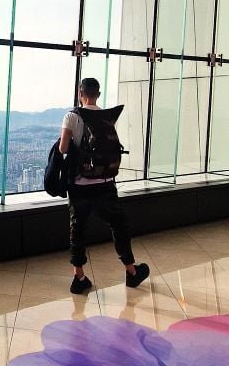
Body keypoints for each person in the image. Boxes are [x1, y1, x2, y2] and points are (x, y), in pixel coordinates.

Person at [59, 77, 150, 294]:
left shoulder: (72, 116)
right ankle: (131, 272)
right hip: (105, 183)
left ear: (81, 93)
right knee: (118, 225)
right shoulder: (107, 116)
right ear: (98, 94)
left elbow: (63, 149)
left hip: (80, 185)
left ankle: (79, 277)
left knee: (78, 229)